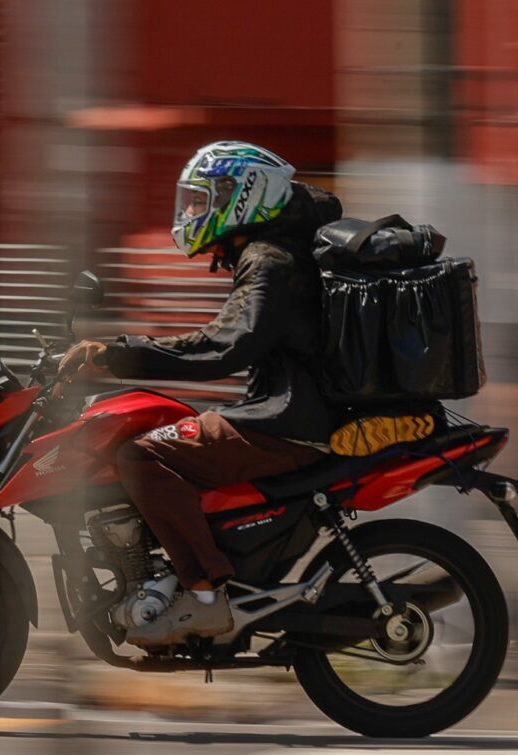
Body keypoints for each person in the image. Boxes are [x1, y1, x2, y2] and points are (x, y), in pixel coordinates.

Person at [60, 141, 344, 647]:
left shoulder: (270, 259)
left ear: (244, 196)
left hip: (286, 421)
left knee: (141, 455)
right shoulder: (272, 251)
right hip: (287, 412)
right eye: (190, 201)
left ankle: (204, 595)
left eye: (201, 200)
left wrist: (119, 353)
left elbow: (225, 347)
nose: (191, 212)